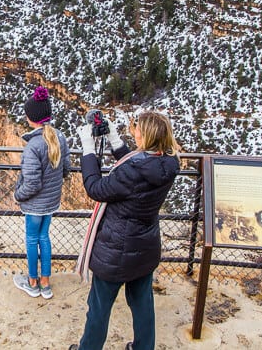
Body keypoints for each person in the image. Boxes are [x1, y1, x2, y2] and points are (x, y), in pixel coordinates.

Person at [70, 110, 180, 350]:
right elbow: (138, 162)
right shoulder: (168, 162)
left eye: (137, 129)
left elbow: (96, 187)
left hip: (116, 249)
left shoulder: (133, 172)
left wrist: (87, 148)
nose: (135, 131)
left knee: (99, 307)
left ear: (147, 136)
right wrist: (114, 139)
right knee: (142, 304)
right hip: (145, 246)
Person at [13, 86, 71, 300]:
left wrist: (17, 195)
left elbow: (32, 184)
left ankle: (32, 282)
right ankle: (45, 283)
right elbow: (66, 169)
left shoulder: (33, 146)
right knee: (44, 238)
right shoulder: (60, 138)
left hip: (35, 205)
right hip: (51, 202)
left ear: (31, 118)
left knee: (31, 239)